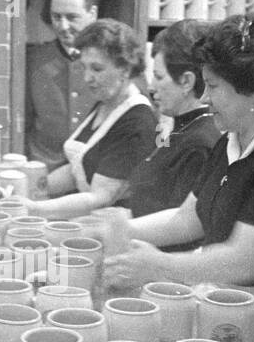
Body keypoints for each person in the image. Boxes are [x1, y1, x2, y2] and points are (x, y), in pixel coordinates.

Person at [102, 14, 254, 303]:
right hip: (236, 297)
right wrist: (117, 230)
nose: (204, 99)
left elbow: (246, 260)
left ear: (253, 89)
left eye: (213, 87)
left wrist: (159, 266)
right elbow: (188, 218)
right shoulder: (232, 137)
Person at [21, 19, 155, 218]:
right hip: (90, 220)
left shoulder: (137, 121)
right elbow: (77, 170)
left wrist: (35, 208)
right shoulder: (106, 102)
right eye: (84, 68)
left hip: (115, 227)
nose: (87, 78)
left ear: (125, 69)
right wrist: (30, 189)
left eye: (97, 69)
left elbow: (101, 197)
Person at [126, 20, 223, 251]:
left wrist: (118, 230)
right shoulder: (178, 128)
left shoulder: (201, 142)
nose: (151, 86)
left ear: (187, 81)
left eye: (159, 77)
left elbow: (184, 232)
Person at [25, 0, 99, 172]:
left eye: (72, 17)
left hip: (95, 174)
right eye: (56, 17)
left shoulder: (113, 59)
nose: (63, 26)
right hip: (46, 172)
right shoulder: (34, 60)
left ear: (92, 14)